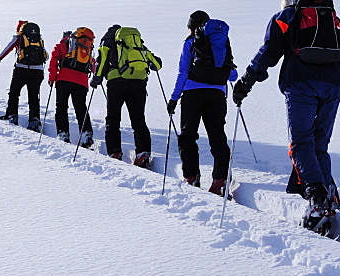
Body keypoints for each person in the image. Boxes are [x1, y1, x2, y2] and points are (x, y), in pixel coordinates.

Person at [233, 0, 340, 229]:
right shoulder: (331, 19)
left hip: (301, 84)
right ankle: (328, 197)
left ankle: (317, 200)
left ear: (286, 2)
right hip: (333, 86)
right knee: (319, 144)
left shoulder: (284, 17)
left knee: (301, 143)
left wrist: (246, 81)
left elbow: (267, 53)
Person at [166, 11, 237, 196]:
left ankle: (191, 176)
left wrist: (174, 98)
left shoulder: (190, 43)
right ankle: (219, 179)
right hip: (217, 94)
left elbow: (183, 72)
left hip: (192, 94)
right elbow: (233, 74)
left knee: (188, 136)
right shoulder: (221, 42)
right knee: (217, 136)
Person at [91, 24, 162, 167]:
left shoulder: (108, 40)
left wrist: (96, 78)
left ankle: (114, 151)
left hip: (116, 83)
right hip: (138, 83)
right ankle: (143, 153)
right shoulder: (135, 43)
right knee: (138, 119)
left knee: (113, 118)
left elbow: (103, 60)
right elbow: (157, 64)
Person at [0, 21, 47, 130]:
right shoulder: (38, 39)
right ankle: (34, 120)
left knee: (14, 92)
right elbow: (46, 56)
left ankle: (12, 115)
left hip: (21, 69)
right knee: (34, 96)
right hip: (38, 71)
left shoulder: (19, 38)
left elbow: (8, 48)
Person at [48, 28, 95, 145]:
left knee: (61, 107)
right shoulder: (86, 47)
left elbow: (54, 60)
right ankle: (86, 134)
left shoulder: (62, 45)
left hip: (64, 80)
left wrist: (52, 77)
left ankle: (63, 133)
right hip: (82, 81)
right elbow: (93, 65)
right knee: (80, 107)